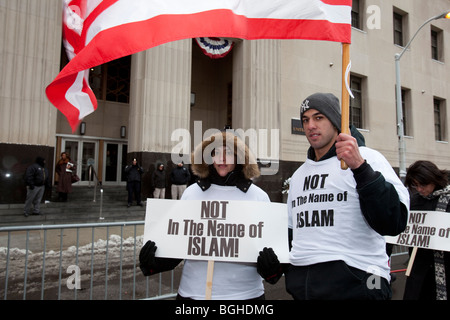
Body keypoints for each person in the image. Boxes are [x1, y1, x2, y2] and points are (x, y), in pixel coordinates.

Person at [257, 92, 410, 300]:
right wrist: (276, 268)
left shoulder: (369, 159)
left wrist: (361, 169)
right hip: (305, 290)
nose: (310, 125)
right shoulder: (299, 176)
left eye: (319, 117)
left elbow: (394, 221)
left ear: (337, 121)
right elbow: (293, 237)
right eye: (305, 119)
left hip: (359, 286)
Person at [139, 131, 270, 300]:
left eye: (229, 152)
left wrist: (272, 268)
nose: (222, 159)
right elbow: (180, 242)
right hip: (193, 294)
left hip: (245, 295)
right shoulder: (191, 194)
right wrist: (154, 261)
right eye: (216, 153)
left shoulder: (258, 197)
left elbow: (268, 251)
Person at [403, 160, 450, 300]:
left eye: (422, 185)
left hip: (444, 267)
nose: (419, 189)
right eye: (415, 185)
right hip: (419, 268)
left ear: (434, 179)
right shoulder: (414, 201)